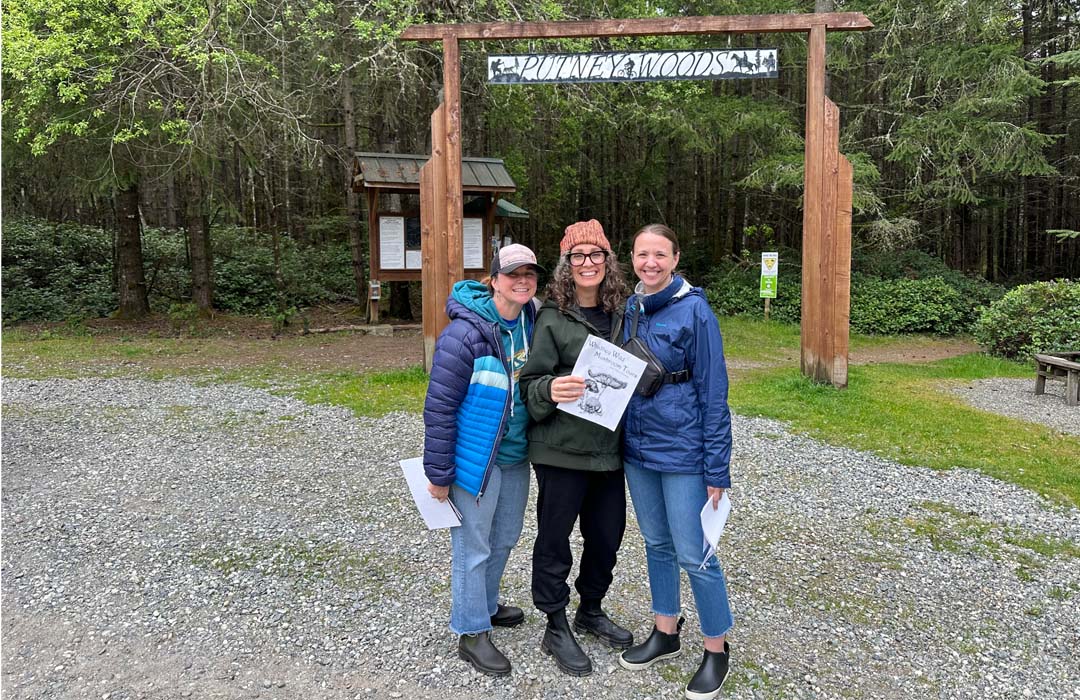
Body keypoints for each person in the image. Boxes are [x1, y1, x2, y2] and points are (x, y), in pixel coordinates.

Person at [616, 224, 735, 700]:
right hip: (639, 449)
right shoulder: (631, 306)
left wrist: (717, 468)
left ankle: (716, 647)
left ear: (675, 257)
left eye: (659, 255)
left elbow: (714, 391)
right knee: (655, 543)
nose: (651, 263)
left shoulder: (696, 312)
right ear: (633, 258)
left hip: (684, 451)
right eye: (643, 254)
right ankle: (665, 630)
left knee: (696, 553)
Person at [518, 220, 633, 677]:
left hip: (609, 448)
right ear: (567, 265)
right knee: (554, 537)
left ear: (608, 262)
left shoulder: (626, 313)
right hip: (561, 449)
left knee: (607, 535)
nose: (588, 264)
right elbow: (528, 384)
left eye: (596, 255)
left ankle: (591, 607)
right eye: (578, 256)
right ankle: (554, 621)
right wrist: (551, 388)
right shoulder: (551, 318)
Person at [422, 243, 543, 677]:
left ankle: (486, 606)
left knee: (506, 535)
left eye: (529, 273)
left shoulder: (534, 321)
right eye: (513, 274)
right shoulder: (465, 334)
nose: (522, 280)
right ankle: (471, 633)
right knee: (472, 546)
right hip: (476, 460)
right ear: (493, 280)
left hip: (515, 456)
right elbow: (439, 407)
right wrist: (437, 473)